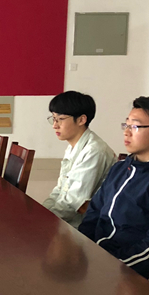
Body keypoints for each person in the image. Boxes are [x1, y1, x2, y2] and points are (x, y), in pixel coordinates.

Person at [79, 96, 149, 279]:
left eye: (135, 127)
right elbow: (94, 212)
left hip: (127, 273)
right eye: (126, 125)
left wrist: (110, 267)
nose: (127, 132)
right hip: (96, 259)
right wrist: (81, 248)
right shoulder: (121, 167)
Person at [41, 91, 116, 228]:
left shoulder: (94, 151)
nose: (54, 125)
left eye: (60, 119)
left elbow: (72, 203)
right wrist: (40, 213)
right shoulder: (73, 146)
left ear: (81, 120)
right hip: (67, 221)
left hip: (84, 227)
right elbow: (60, 190)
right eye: (53, 118)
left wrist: (42, 221)